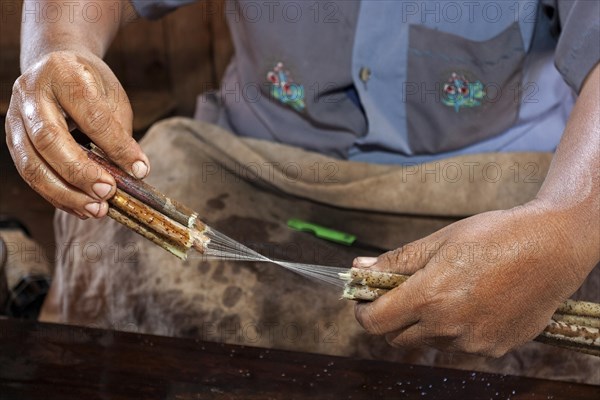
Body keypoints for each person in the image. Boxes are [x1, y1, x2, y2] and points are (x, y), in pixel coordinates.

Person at [5, 0, 599, 383]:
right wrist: (59, 50)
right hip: (256, 163)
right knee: (111, 231)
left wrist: (568, 220)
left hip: (506, 193)